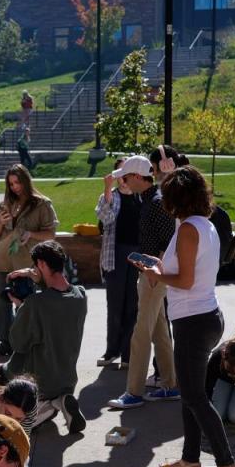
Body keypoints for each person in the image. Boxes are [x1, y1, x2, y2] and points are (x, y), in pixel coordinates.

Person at [134, 165, 235, 467]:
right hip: (198, 316)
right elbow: (184, 267)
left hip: (195, 321)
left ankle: (227, 465)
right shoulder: (199, 224)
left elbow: (184, 280)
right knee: (190, 394)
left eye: (166, 195)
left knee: (194, 396)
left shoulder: (189, 230)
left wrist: (155, 275)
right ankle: (190, 460)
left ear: (176, 200)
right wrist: (156, 265)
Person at [108, 146, 185, 410]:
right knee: (158, 330)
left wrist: (155, 272)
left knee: (141, 332)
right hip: (153, 270)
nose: (123, 181)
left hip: (154, 272)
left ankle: (134, 391)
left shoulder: (155, 202)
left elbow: (169, 241)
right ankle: (171, 384)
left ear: (140, 177)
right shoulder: (151, 199)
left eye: (126, 177)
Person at [4, 240, 87, 434]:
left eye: (35, 265)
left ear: (41, 264)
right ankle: (59, 401)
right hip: (66, 378)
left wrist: (20, 307)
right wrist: (37, 278)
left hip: (37, 381)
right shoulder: (80, 296)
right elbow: (57, 298)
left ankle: (42, 408)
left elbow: (18, 343)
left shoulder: (35, 304)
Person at [0, 164, 57, 358]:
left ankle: (26, 342)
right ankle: (6, 342)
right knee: (0, 302)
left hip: (26, 264)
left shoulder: (42, 204)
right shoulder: (5, 204)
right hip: (3, 263)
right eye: (10, 184)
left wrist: (31, 233)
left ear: (26, 181)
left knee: (26, 304)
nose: (14, 187)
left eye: (17, 182)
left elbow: (51, 234)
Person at [96, 156, 146, 368]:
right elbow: (105, 219)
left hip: (137, 256)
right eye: (119, 174)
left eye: (126, 174)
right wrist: (108, 189)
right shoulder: (111, 196)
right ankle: (111, 351)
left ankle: (127, 354)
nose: (123, 179)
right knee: (114, 304)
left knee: (132, 305)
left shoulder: (141, 197)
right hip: (115, 254)